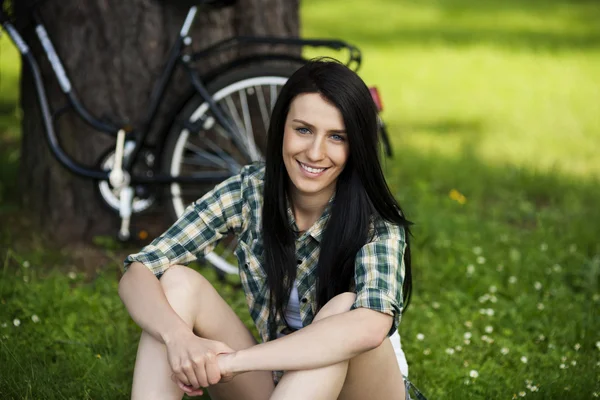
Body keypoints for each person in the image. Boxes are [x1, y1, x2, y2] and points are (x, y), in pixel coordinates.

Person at [119, 59, 415, 400]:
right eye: (303, 129)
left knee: (343, 311)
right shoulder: (250, 191)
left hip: (364, 391)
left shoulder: (378, 220)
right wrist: (180, 339)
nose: (315, 152)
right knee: (175, 282)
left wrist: (232, 362)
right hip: (281, 387)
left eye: (337, 137)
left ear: (357, 147)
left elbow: (368, 328)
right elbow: (138, 270)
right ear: (281, 129)